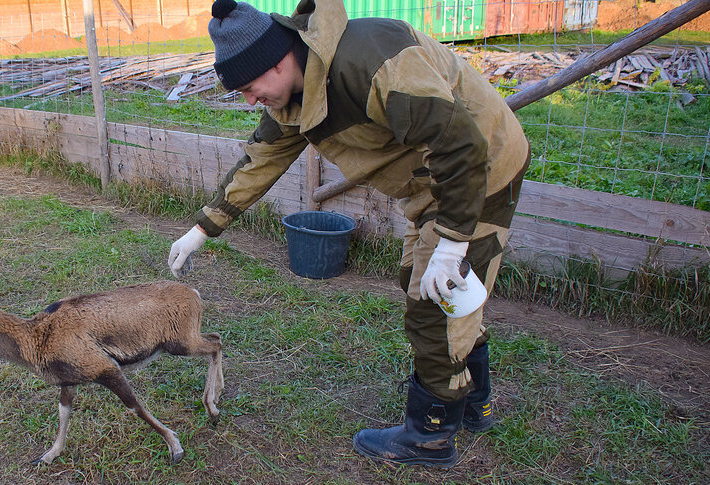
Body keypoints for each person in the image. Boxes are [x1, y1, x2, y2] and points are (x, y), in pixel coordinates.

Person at [167, 0, 529, 469]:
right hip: (429, 187)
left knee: (434, 303)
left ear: (277, 63)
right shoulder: (296, 91)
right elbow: (262, 159)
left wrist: (454, 241)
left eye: (249, 87)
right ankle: (473, 402)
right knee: (429, 287)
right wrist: (203, 227)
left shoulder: (373, 63)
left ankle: (432, 435)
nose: (249, 100)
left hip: (479, 173)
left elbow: (461, 146)